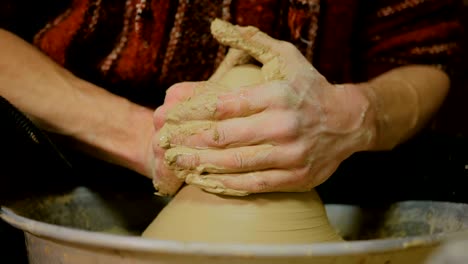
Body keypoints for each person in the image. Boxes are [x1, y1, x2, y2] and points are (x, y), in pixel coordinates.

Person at [0, 0, 465, 199]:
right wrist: (145, 136)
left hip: (321, 150)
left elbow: (422, 52)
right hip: (72, 143)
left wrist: (361, 115)